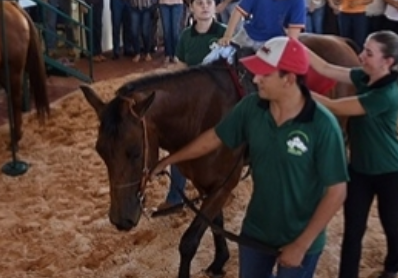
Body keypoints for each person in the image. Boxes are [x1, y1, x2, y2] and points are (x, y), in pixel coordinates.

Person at [149, 36, 349, 277]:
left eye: (265, 74)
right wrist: (170, 160)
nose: (255, 79)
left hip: (299, 238)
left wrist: (301, 245)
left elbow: (337, 192)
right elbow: (214, 137)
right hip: (256, 231)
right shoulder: (251, 107)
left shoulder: (323, 125)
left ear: (289, 79)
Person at [303, 30, 398, 278]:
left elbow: (333, 106)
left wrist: (296, 92)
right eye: (363, 48)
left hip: (391, 173)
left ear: (387, 62)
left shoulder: (386, 94)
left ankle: (393, 267)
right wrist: (292, 41)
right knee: (352, 231)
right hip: (359, 171)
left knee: (390, 224)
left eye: (368, 52)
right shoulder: (365, 76)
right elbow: (324, 67)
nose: (360, 55)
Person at [155, 0, 227, 214]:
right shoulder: (186, 36)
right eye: (200, 3)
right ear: (191, 8)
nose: (205, 7)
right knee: (178, 140)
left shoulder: (225, 32)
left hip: (219, 103)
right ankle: (176, 196)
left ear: (215, 6)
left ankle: (225, 183)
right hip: (194, 104)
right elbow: (181, 69)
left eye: (209, 2)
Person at [218, 0, 307, 51]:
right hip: (248, 35)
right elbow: (239, 10)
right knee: (219, 54)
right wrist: (228, 36)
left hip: (273, 44)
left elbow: (293, 37)